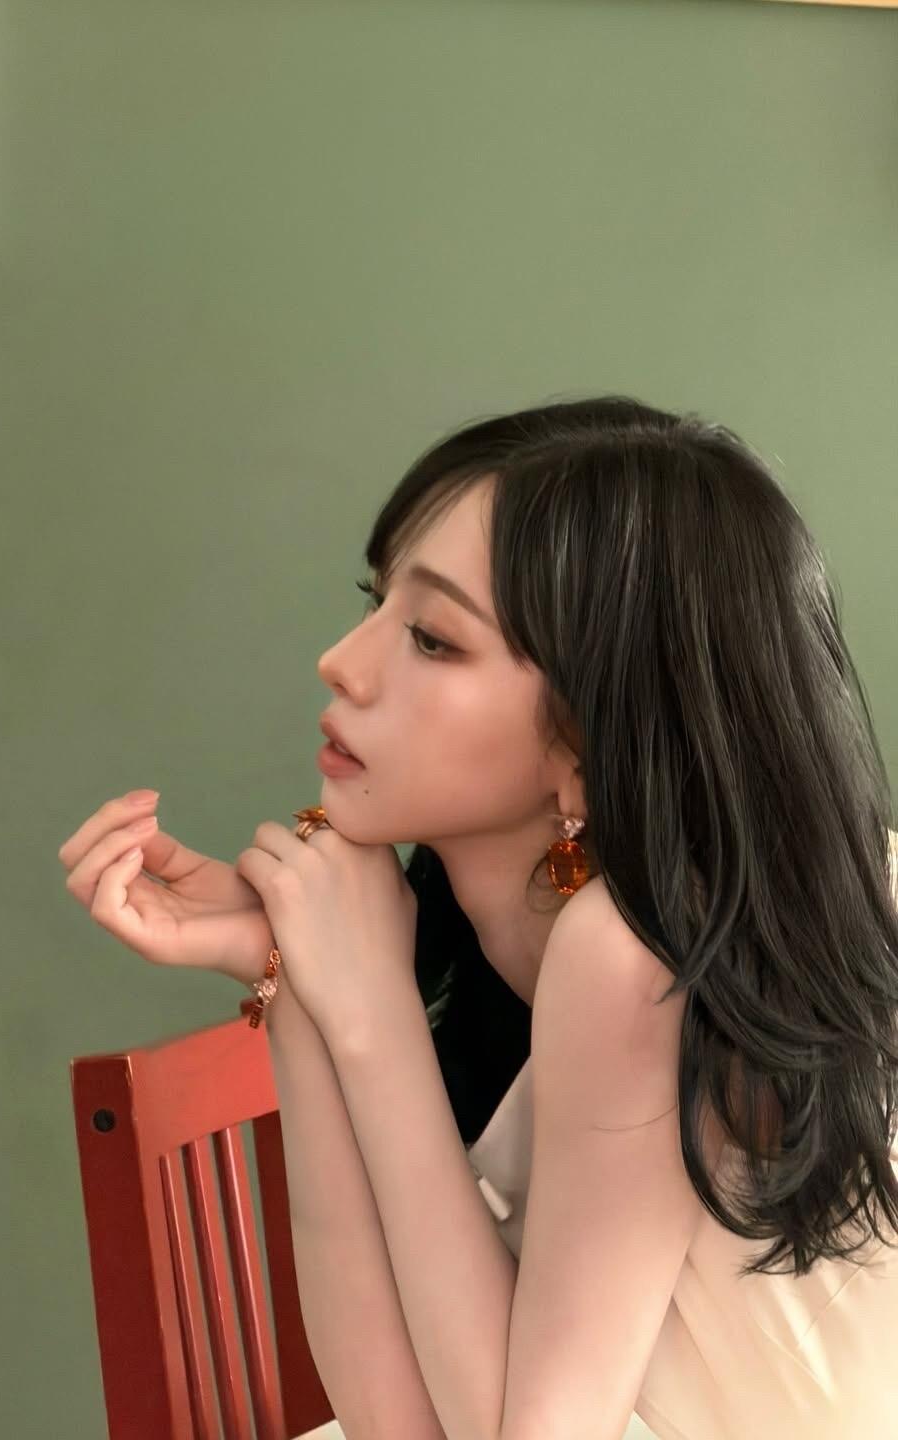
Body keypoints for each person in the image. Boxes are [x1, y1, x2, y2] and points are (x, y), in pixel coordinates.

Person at [58, 395, 898, 1439]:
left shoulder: (636, 953)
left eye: (431, 637)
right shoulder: (575, 940)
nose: (341, 661)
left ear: (587, 736)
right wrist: (299, 982)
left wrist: (372, 1010)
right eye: (374, 603)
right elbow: (399, 1422)